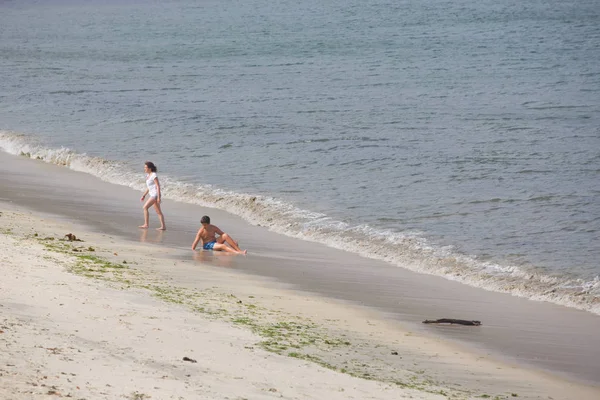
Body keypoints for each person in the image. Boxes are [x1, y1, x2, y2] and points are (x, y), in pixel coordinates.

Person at [139, 161, 166, 231]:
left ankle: (146, 224)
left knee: (145, 207)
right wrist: (144, 195)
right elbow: (149, 187)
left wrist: (159, 197)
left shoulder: (154, 175)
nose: (144, 169)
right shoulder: (148, 176)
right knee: (158, 211)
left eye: (145, 167)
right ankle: (163, 227)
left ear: (150, 168)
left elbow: (158, 186)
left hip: (155, 195)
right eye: (144, 167)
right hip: (152, 194)